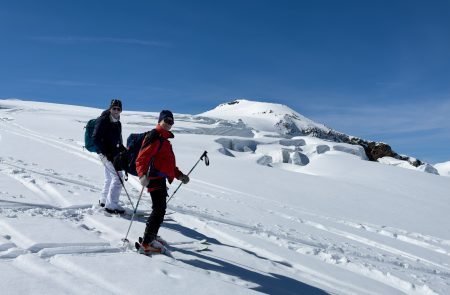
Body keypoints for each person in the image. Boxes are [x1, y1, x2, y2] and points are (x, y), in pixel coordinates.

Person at [135, 110, 190, 253]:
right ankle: (147, 242)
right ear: (160, 120)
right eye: (166, 120)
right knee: (159, 210)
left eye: (171, 122)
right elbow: (142, 158)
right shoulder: (155, 136)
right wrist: (142, 175)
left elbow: (168, 165)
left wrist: (179, 175)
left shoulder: (164, 140)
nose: (169, 124)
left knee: (159, 210)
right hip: (153, 178)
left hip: (160, 178)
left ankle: (151, 236)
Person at [92, 99, 126, 214]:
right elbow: (95, 138)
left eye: (118, 109)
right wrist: (106, 153)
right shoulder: (103, 120)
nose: (116, 111)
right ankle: (111, 205)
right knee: (118, 177)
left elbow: (118, 140)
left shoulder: (118, 122)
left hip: (112, 153)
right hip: (104, 153)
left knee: (110, 177)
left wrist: (123, 149)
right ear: (110, 108)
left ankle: (104, 201)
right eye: (114, 108)